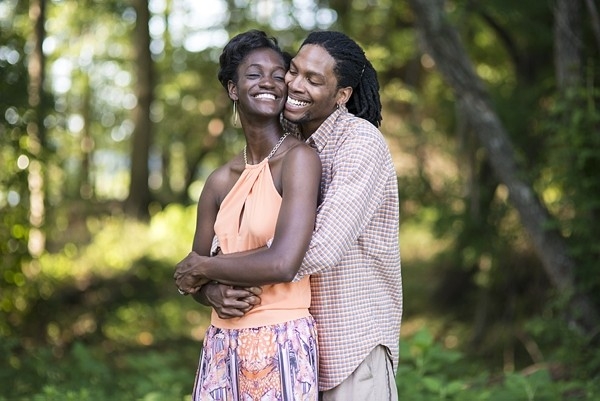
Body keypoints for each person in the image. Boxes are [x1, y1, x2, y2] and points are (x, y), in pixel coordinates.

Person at [176, 30, 403, 401]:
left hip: (350, 345)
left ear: (341, 95)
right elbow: (226, 240)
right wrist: (212, 287)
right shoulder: (288, 141)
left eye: (313, 80)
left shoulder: (359, 143)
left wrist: (208, 269)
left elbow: (316, 249)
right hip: (293, 345)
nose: (294, 84)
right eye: (293, 72)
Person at [177, 29, 322, 401]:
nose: (269, 83)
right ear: (233, 88)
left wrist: (204, 270)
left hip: (281, 341)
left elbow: (283, 263)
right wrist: (210, 293)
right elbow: (194, 282)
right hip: (221, 345)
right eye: (255, 74)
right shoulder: (218, 181)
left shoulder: (299, 161)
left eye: (278, 74)